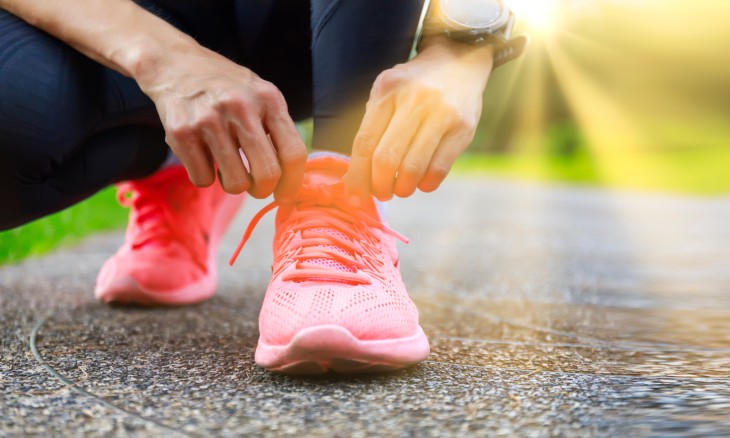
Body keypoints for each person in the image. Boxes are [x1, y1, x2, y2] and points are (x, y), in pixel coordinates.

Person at [0, 0, 524, 374]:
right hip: (116, 19)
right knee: (15, 124)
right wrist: (168, 63)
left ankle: (338, 202)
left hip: (304, 22)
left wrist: (459, 48)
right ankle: (185, 165)